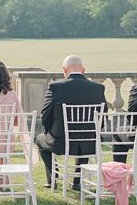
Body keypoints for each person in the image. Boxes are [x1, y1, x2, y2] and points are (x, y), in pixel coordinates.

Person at [35, 55, 107, 190]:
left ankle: (52, 180)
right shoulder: (98, 88)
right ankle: (76, 181)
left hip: (60, 143)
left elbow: (45, 116)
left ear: (64, 70)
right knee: (84, 137)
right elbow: (102, 118)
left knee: (40, 139)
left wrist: (49, 131)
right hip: (91, 144)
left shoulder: (55, 88)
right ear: (83, 70)